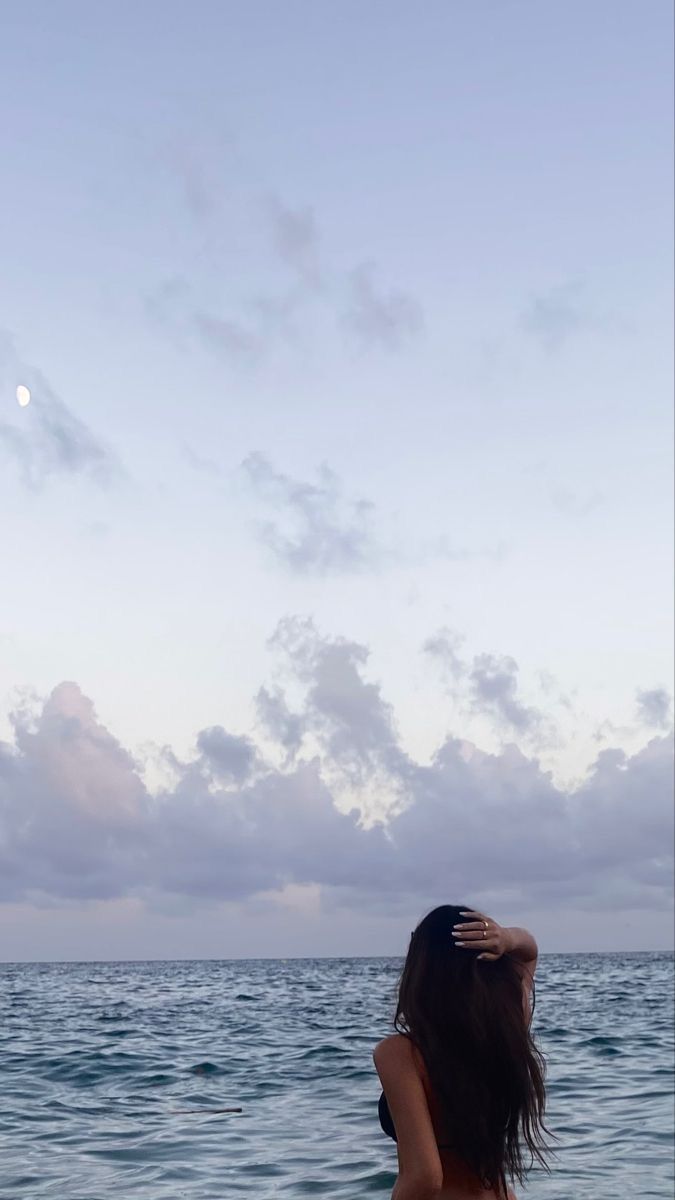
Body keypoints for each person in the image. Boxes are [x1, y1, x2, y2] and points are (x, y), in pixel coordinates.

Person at [373, 905, 554, 1200]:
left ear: (423, 968)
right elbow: (528, 953)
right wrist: (506, 938)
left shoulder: (400, 1053)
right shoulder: (506, 1032)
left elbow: (426, 1177)